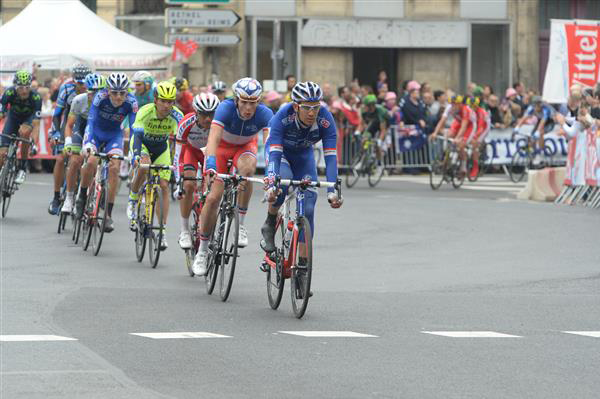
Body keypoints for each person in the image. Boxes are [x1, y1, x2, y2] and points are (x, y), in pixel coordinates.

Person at [191, 77, 273, 276]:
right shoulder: (225, 109)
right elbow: (213, 138)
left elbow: (270, 145)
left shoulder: (264, 114)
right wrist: (210, 165)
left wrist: (272, 171)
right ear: (236, 99)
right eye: (244, 102)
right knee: (212, 198)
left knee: (248, 170)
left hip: (244, 148)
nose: (247, 108)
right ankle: (202, 250)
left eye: (252, 103)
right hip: (221, 150)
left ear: (258, 102)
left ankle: (241, 225)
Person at [261, 81, 343, 256]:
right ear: (295, 106)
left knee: (308, 209)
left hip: (303, 156)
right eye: (307, 107)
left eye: (316, 107)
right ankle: (270, 221)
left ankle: (303, 266)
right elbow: (274, 153)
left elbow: (331, 157)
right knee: (281, 183)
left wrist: (332, 189)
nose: (312, 112)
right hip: (280, 152)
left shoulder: (326, 120)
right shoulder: (282, 116)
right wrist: (271, 183)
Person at [76, 73, 138, 232]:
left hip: (114, 136)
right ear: (108, 91)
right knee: (91, 162)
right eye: (115, 93)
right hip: (95, 134)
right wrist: (87, 143)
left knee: (115, 168)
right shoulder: (100, 97)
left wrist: (133, 151)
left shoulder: (131, 102)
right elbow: (90, 121)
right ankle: (82, 196)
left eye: (122, 93)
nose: (118, 97)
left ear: (127, 92)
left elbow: (133, 130)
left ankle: (108, 215)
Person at [126, 81, 182, 249]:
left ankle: (162, 230)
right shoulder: (145, 111)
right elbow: (136, 137)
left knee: (164, 185)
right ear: (155, 100)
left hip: (161, 149)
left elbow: (183, 141)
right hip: (142, 145)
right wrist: (136, 154)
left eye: (170, 101)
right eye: (163, 101)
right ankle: (133, 198)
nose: (167, 105)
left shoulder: (177, 115)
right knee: (144, 166)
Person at [173, 92, 220, 249]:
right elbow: (178, 154)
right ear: (196, 113)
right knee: (188, 185)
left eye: (211, 114)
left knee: (212, 194)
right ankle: (184, 230)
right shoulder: (186, 123)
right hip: (191, 152)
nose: (208, 119)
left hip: (211, 154)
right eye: (204, 114)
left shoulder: (220, 124)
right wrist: (178, 181)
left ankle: (208, 232)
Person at [60, 73, 106, 214]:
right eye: (92, 91)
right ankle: (69, 197)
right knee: (75, 161)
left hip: (100, 130)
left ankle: (95, 189)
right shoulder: (79, 100)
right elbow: (69, 125)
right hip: (81, 127)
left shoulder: (110, 102)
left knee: (100, 161)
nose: (96, 95)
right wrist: (68, 142)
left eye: (100, 91)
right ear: (87, 90)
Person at [48, 64, 90, 214]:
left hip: (88, 125)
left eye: (85, 82)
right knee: (60, 159)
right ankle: (56, 196)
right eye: (79, 83)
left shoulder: (94, 90)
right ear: (73, 81)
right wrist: (55, 134)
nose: (83, 86)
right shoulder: (66, 89)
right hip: (69, 122)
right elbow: (58, 114)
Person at [0, 70, 41, 184]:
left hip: (28, 119)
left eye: (27, 87)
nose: (24, 91)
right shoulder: (9, 93)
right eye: (21, 88)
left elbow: (37, 124)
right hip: (13, 118)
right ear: (15, 87)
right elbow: (1, 112)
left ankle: (22, 168)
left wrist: (35, 144)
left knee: (24, 133)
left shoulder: (36, 97)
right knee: (2, 153)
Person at [513, 95, 554, 167]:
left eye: (538, 106)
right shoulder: (531, 108)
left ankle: (540, 154)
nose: (536, 108)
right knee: (531, 138)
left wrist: (538, 132)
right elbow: (524, 118)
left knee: (540, 133)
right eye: (535, 106)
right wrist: (517, 127)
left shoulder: (545, 109)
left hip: (549, 123)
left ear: (541, 105)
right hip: (539, 121)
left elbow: (543, 122)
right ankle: (532, 153)